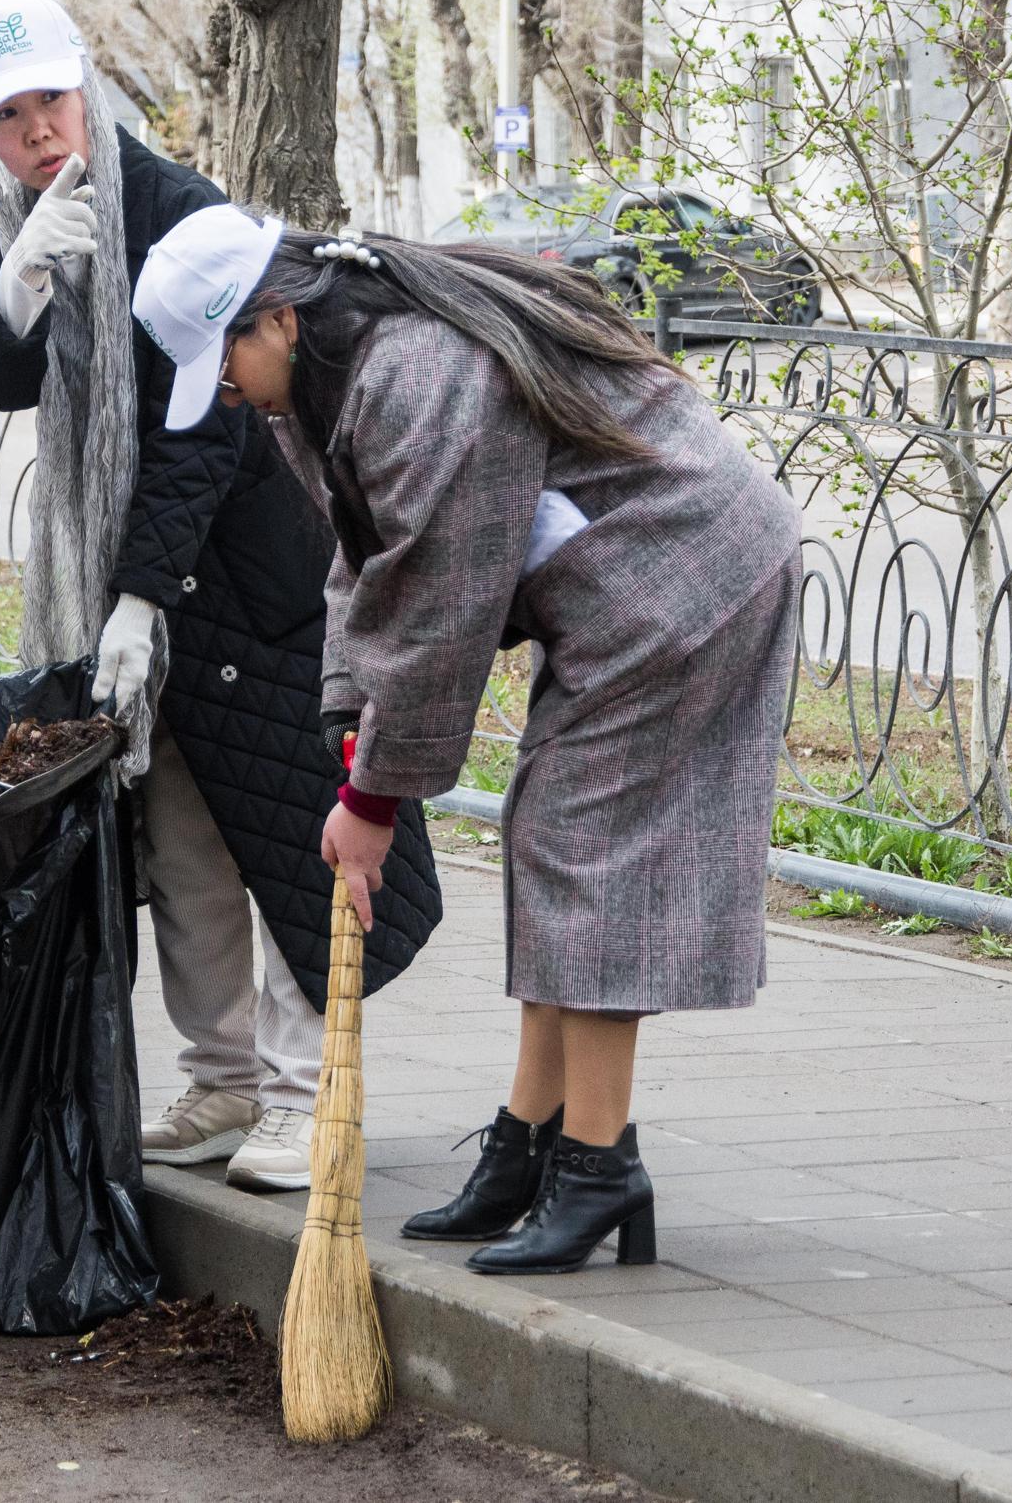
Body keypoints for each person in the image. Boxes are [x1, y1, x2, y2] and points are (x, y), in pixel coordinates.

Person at [133, 206, 803, 1275]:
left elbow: (438, 606)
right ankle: (528, 1146)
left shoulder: (418, 378)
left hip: (682, 575)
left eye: (222, 366)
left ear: (276, 320)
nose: (224, 394)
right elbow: (363, 566)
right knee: (554, 840)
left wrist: (373, 803)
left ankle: (597, 1165)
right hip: (615, 581)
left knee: (588, 853)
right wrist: (346, 725)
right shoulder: (333, 379)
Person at [0, 0, 440, 1193]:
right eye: (7, 118)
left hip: (241, 589)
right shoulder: (10, 218)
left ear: (87, 88)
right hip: (124, 598)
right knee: (176, 848)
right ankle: (221, 1079)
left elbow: (203, 438)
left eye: (50, 101)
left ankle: (298, 1095)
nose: (38, 133)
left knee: (279, 839)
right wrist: (12, 290)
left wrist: (143, 594)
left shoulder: (178, 209)